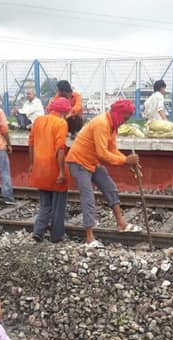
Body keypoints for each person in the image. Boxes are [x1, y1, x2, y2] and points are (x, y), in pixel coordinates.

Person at [66, 99, 142, 248]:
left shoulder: (112, 126)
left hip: (93, 162)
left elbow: (112, 149)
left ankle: (121, 224)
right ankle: (90, 237)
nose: (125, 121)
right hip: (79, 162)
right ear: (118, 113)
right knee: (88, 197)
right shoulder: (102, 123)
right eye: (125, 118)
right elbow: (102, 153)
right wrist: (125, 160)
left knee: (110, 188)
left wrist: (128, 162)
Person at [29, 97, 70, 243]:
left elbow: (31, 144)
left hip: (39, 167)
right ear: (64, 112)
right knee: (58, 205)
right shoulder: (61, 123)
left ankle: (38, 231)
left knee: (45, 203)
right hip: (53, 167)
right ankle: (56, 236)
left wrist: (32, 164)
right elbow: (60, 149)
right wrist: (61, 171)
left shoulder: (38, 120)